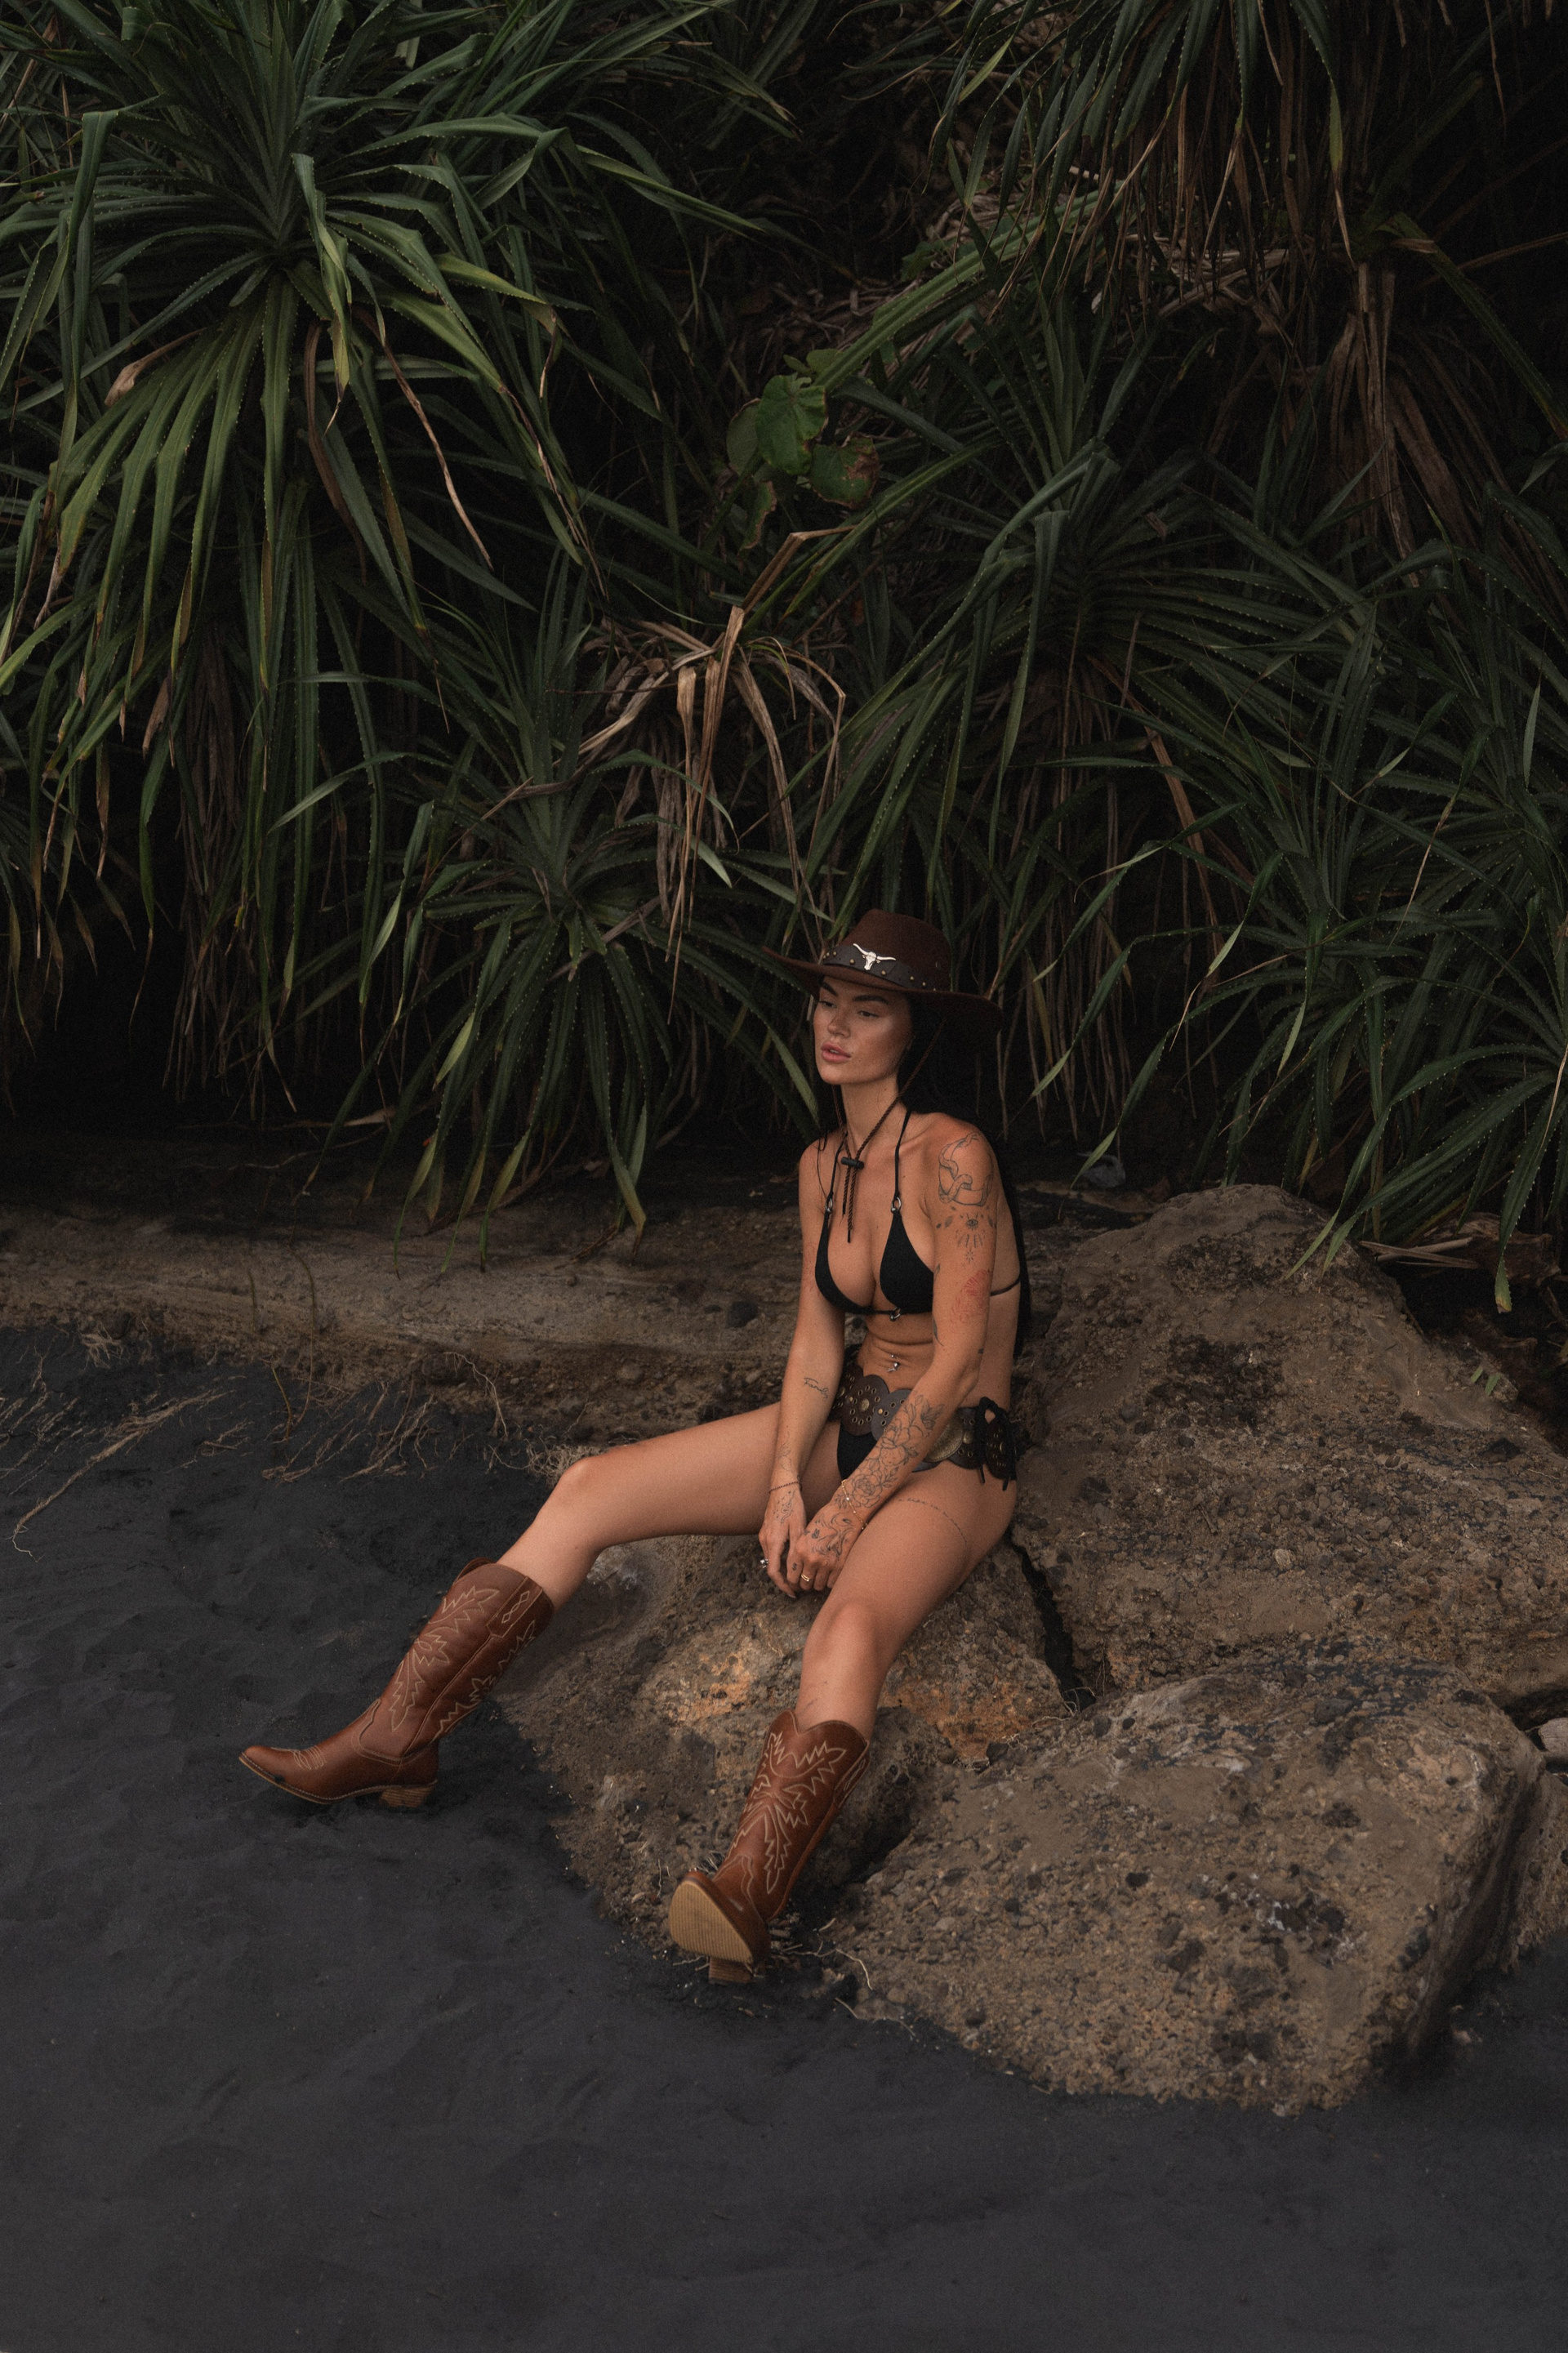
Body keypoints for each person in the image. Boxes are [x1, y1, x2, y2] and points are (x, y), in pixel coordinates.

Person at [239, 911, 1031, 1981]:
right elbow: (814, 1346)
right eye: (827, 1001)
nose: (836, 1025)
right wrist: (785, 1485)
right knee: (589, 1488)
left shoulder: (956, 1159)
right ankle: (396, 1737)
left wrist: (844, 1513)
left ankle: (745, 1899)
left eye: (869, 1008)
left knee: (846, 1628)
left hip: (954, 1458)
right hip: (850, 1422)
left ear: (915, 1032)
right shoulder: (822, 1166)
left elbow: (957, 1358)